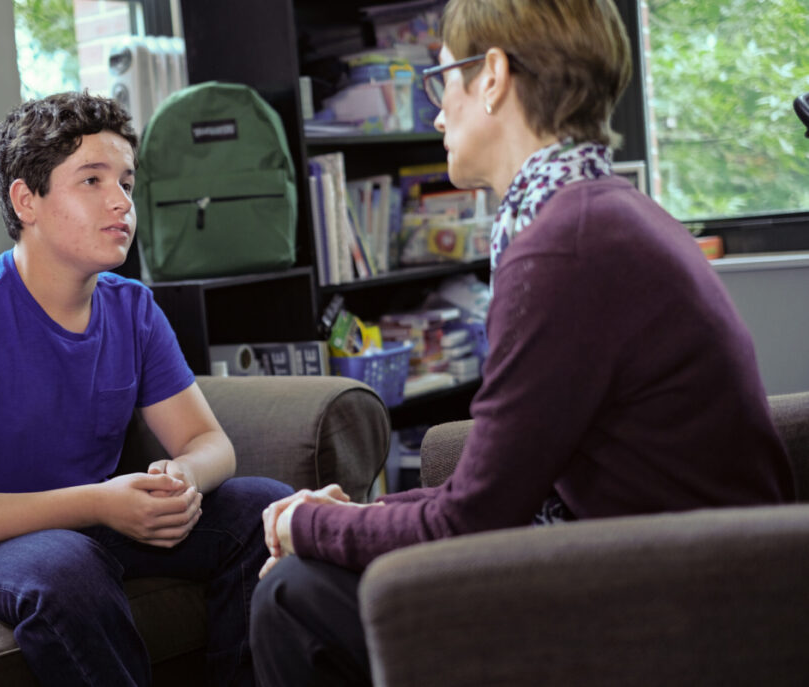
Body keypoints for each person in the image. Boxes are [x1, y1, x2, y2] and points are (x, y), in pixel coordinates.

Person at [249, 1, 797, 684]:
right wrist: (357, 515)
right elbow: (498, 479)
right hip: (681, 567)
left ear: (493, 76)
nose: (437, 113)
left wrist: (309, 526)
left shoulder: (564, 248)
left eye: (441, 80)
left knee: (294, 595)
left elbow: (472, 518)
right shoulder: (601, 212)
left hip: (676, 598)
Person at [0, 91, 292, 687]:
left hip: (79, 530)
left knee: (262, 507)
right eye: (92, 180)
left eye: (126, 181)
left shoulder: (134, 309)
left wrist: (182, 479)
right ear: (28, 200)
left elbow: (208, 441)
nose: (121, 201)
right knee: (64, 563)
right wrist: (102, 502)